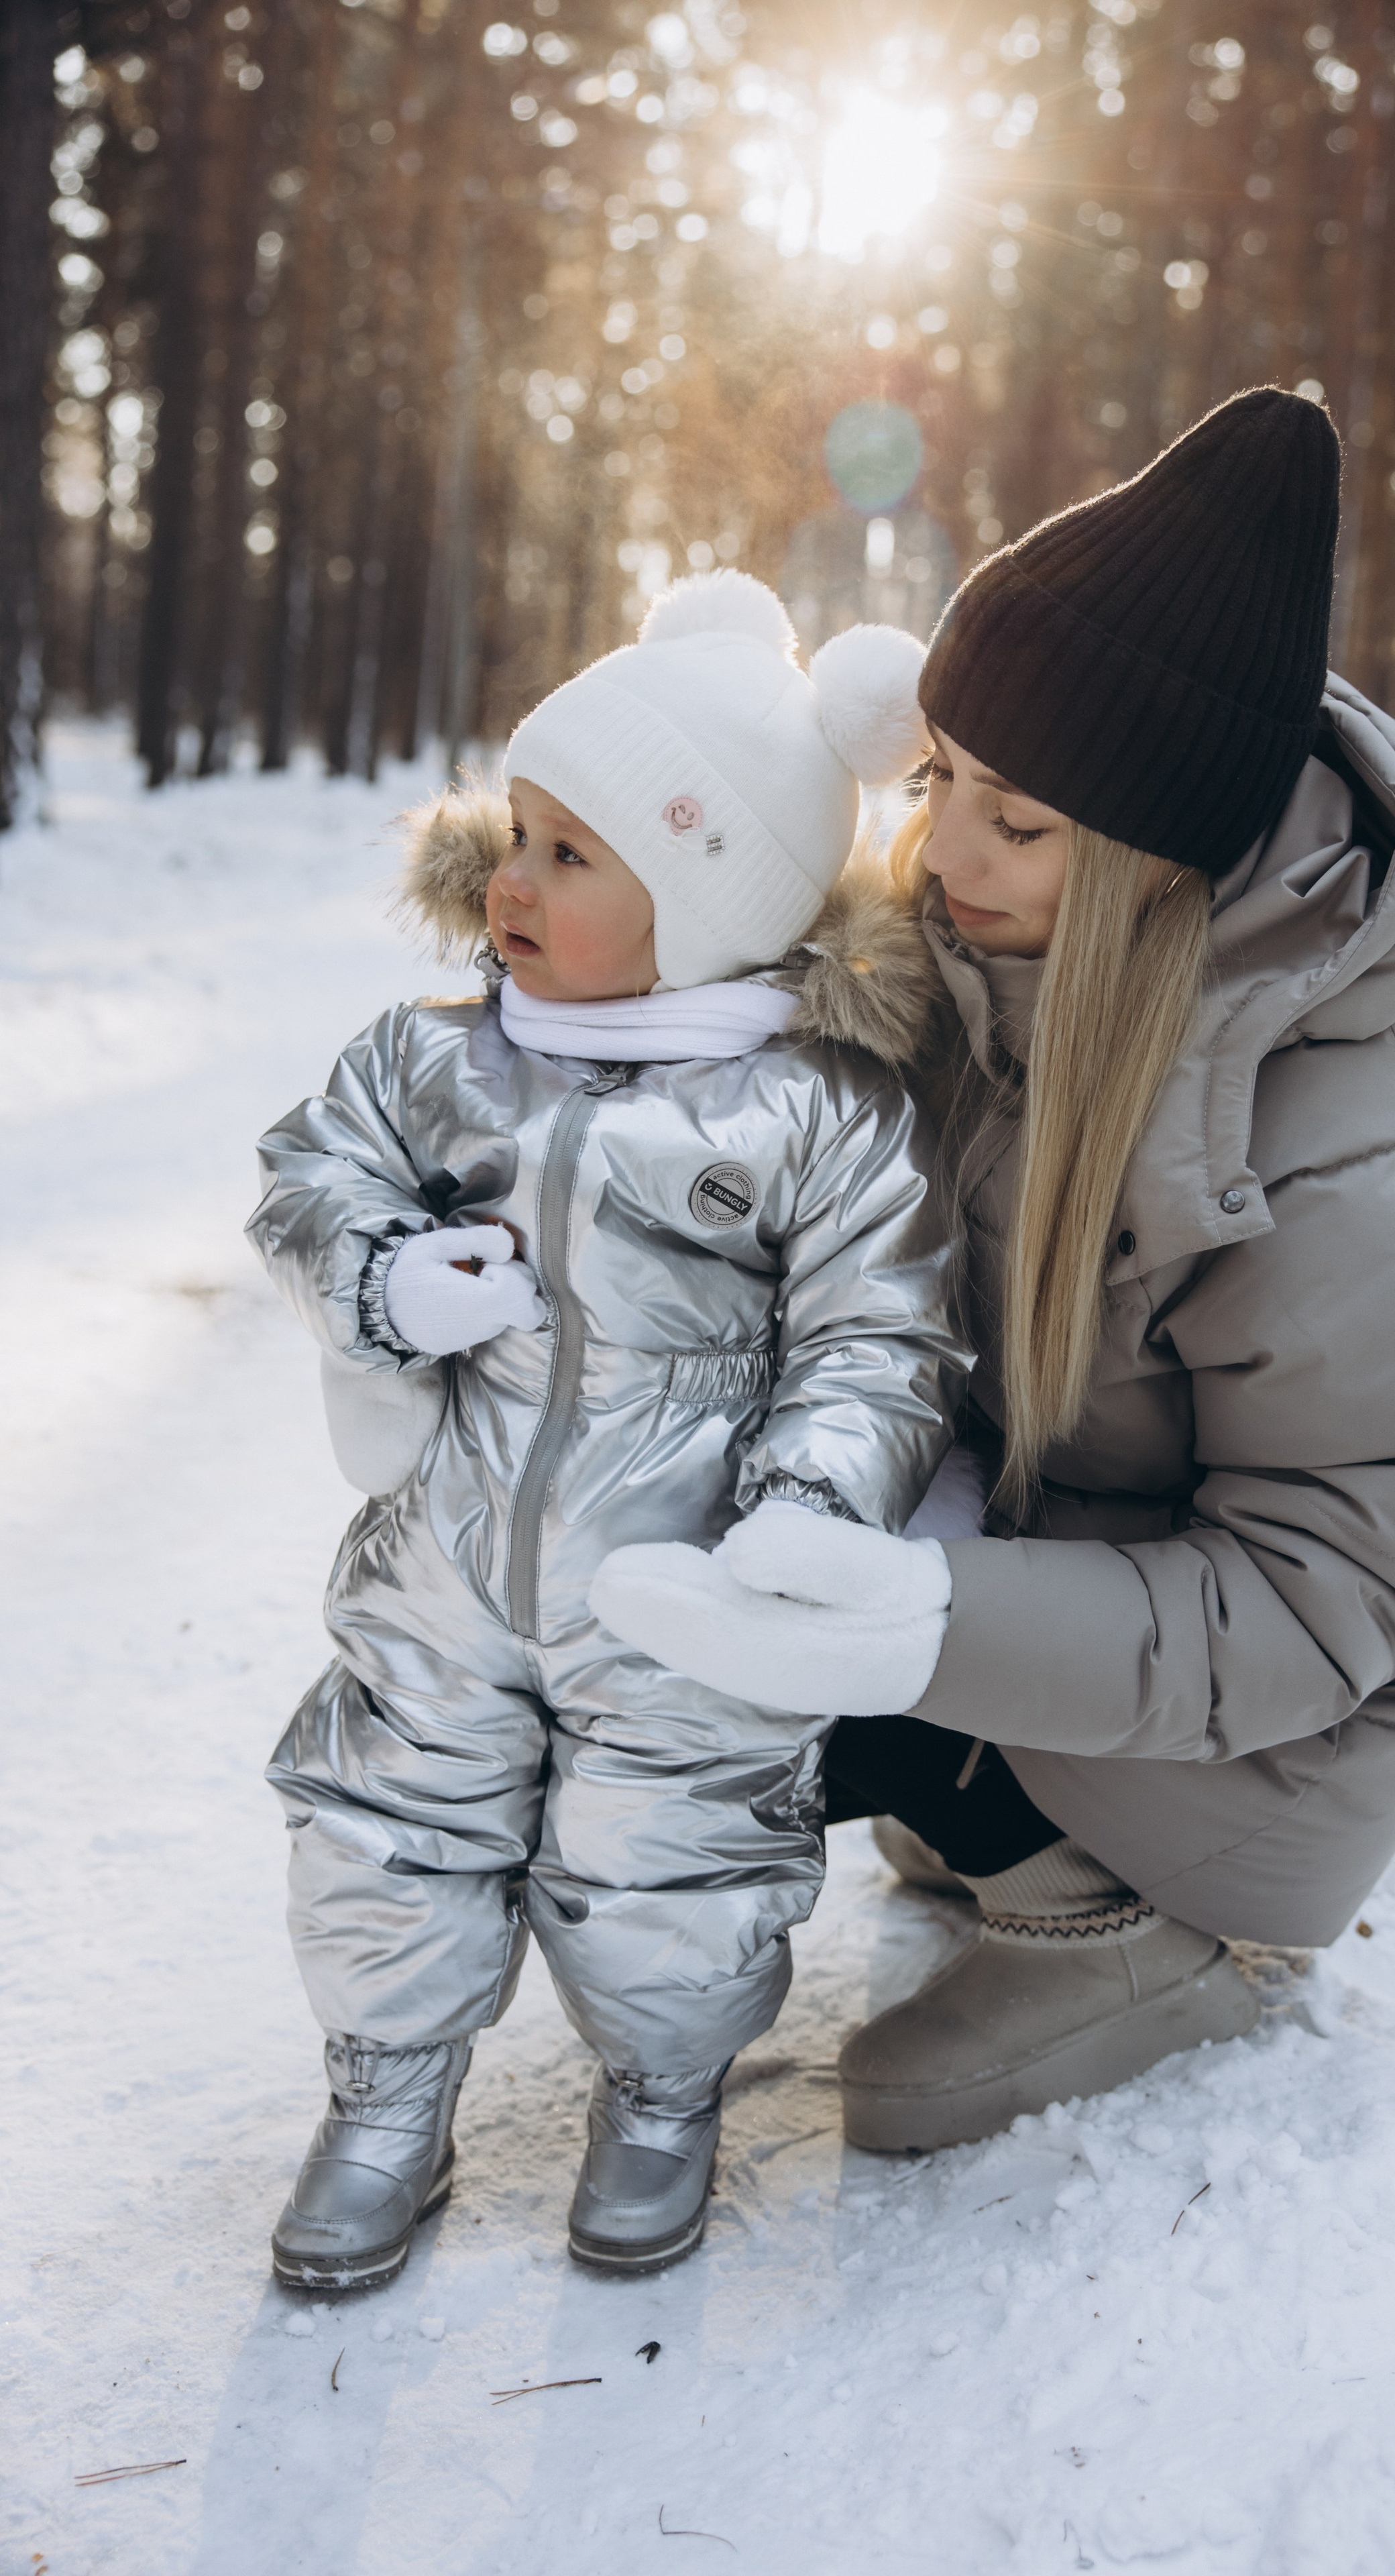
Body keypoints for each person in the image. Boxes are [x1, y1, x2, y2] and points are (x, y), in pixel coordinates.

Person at [594, 389, 1395, 2153]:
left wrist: (928, 1624)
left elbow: (1315, 1608)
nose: (943, 858)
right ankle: (991, 1800)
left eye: (1015, 823)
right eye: (940, 777)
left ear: (1154, 861)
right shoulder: (975, 971)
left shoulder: (1372, 1174)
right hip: (1058, 1571)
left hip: (1268, 1746)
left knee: (893, 2104)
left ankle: (1151, 1925)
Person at [247, 572, 968, 2286]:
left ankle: (658, 2089)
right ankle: (383, 2095)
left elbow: (880, 1335)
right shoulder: (433, 1063)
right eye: (517, 830)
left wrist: (806, 1509)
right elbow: (307, 1174)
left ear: (712, 899)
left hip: (682, 1576)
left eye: (573, 857)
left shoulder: (812, 1107)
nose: (508, 881)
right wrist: (382, 1274)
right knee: (387, 1817)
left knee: (674, 1848)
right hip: (446, 1551)